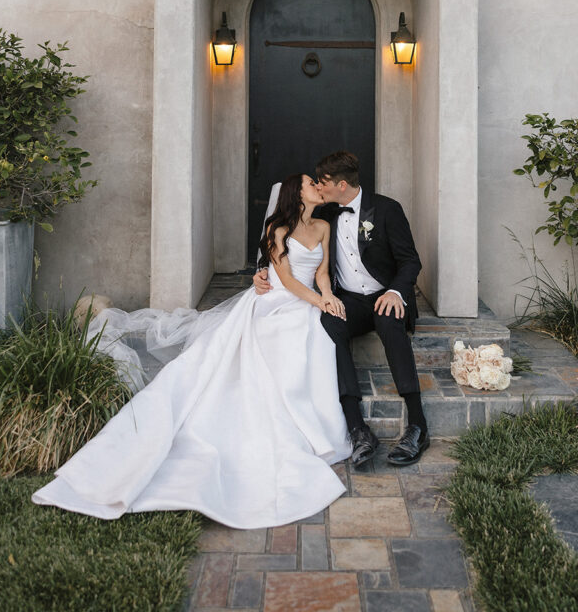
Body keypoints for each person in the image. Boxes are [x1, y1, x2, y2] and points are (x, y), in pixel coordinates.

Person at [32, 175, 352, 527]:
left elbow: (320, 272)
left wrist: (327, 296)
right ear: (296, 193)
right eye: (310, 183)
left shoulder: (323, 225)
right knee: (284, 337)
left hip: (307, 301)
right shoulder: (278, 229)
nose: (316, 186)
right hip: (276, 301)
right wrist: (317, 301)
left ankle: (314, 424)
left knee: (317, 336)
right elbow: (287, 281)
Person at [254, 151, 429, 467]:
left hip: (382, 296)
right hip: (349, 299)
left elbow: (410, 261)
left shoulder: (388, 210)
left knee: (391, 322)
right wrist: (262, 271)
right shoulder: (327, 216)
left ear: (341, 184)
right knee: (329, 324)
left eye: (322, 183)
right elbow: (285, 239)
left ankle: (418, 424)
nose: (319, 188)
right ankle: (358, 429)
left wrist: (394, 292)